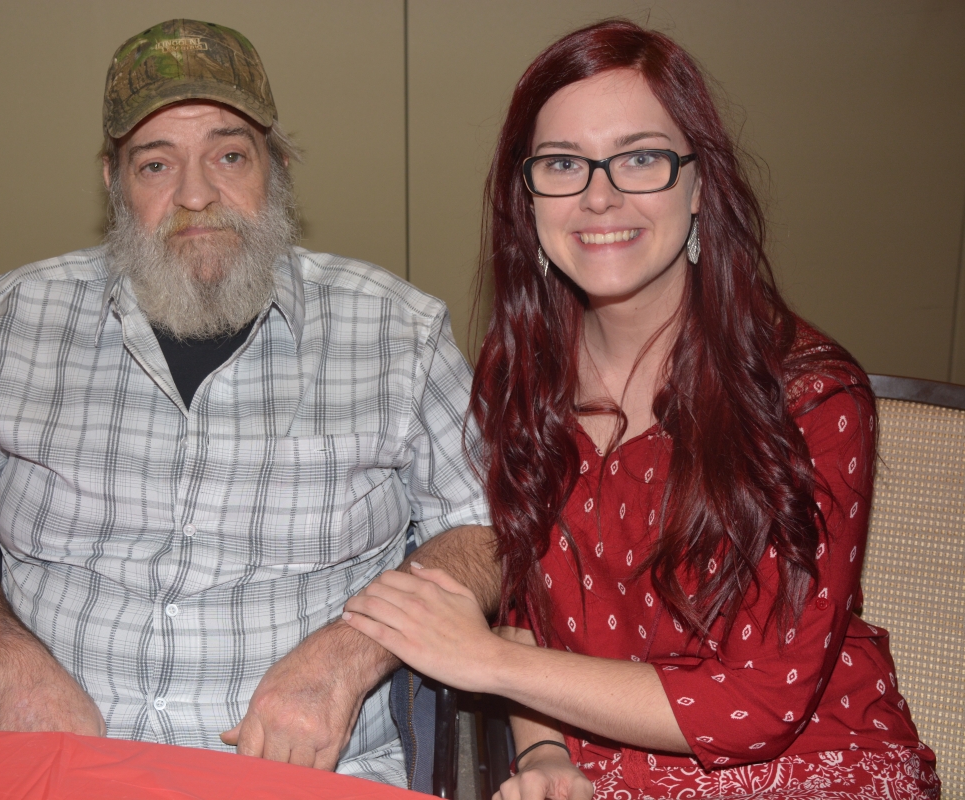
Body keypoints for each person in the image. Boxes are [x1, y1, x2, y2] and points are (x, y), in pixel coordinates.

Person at [0, 19, 494, 787]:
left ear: (278, 167)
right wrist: (12, 669)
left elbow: (485, 529)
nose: (196, 195)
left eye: (229, 156)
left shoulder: (399, 333)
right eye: (156, 164)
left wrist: (348, 657)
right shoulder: (11, 322)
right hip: (55, 770)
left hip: (313, 772)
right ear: (113, 182)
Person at [343, 19, 939, 800]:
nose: (599, 195)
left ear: (699, 185)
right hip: (602, 774)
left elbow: (763, 702)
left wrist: (485, 661)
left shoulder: (810, 395)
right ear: (526, 199)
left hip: (810, 767)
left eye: (641, 158)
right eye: (563, 163)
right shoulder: (512, 376)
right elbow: (528, 601)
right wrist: (546, 755)